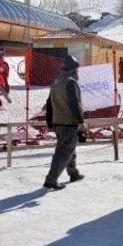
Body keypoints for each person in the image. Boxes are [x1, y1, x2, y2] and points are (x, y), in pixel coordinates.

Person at [43, 55, 85, 190]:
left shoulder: (56, 82)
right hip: (69, 122)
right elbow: (74, 104)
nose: (78, 72)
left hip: (58, 122)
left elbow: (49, 104)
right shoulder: (70, 83)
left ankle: (73, 173)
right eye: (77, 69)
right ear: (72, 70)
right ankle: (51, 179)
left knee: (67, 149)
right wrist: (81, 121)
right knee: (64, 152)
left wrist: (49, 122)